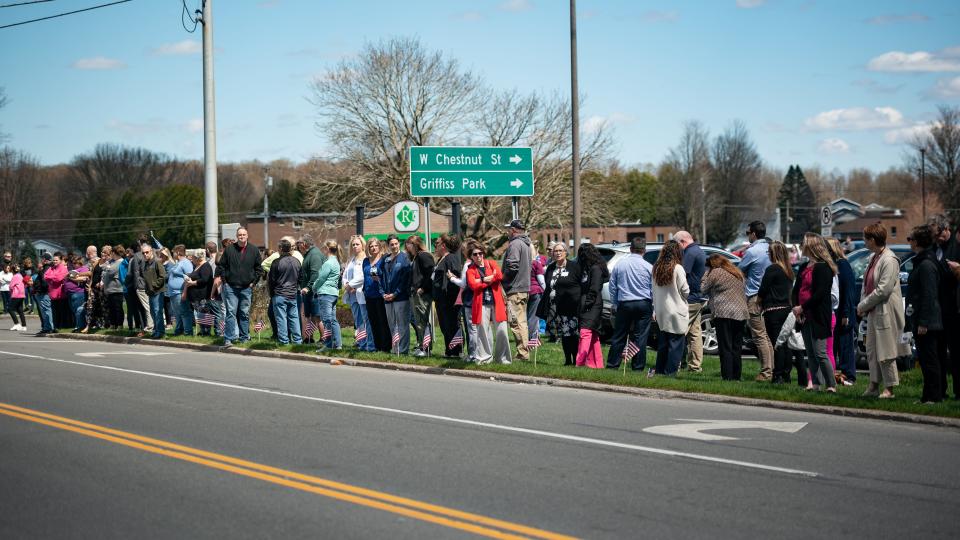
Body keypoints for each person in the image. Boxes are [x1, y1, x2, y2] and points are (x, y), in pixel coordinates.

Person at [857, 223, 910, 399]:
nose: (864, 241)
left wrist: (863, 305)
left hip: (885, 311)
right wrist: (863, 306)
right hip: (873, 312)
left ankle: (890, 388)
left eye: (866, 238)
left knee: (886, 351)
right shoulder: (874, 257)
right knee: (872, 350)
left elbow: (883, 289)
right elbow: (866, 284)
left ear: (873, 239)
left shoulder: (889, 259)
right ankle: (873, 385)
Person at [792, 234, 838, 393]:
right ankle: (816, 384)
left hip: (818, 315)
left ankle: (831, 384)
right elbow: (796, 289)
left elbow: (820, 294)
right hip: (804, 316)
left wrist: (802, 307)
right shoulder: (804, 266)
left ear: (811, 246)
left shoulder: (823, 267)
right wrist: (795, 307)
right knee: (810, 352)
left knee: (820, 352)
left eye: (804, 243)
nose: (801, 245)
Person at [759, 241, 807, 385]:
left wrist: (758, 301)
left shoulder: (772, 269)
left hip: (773, 310)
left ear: (774, 253)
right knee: (786, 344)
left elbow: (763, 289)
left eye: (769, 252)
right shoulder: (788, 269)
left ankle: (778, 375)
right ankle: (786, 373)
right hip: (786, 309)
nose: (768, 254)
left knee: (777, 344)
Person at [605, 237, 653, 371]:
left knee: (619, 335)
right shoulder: (649, 267)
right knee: (640, 337)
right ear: (644, 250)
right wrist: (653, 306)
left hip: (625, 303)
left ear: (631, 249)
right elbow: (652, 289)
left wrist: (615, 303)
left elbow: (612, 286)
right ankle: (637, 367)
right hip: (643, 303)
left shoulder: (620, 264)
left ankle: (613, 365)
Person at [907, 225, 943, 404]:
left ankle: (935, 397)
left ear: (917, 242)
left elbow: (929, 295)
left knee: (930, 360)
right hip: (922, 319)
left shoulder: (927, 264)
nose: (909, 242)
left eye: (910, 239)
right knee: (925, 359)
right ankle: (926, 396)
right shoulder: (921, 261)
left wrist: (923, 322)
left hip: (928, 322)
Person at [927, 214, 960, 400]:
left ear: (947, 229)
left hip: (953, 307)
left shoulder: (956, 246)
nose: (937, 238)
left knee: (956, 352)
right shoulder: (934, 248)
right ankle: (940, 390)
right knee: (938, 351)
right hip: (937, 309)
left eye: (939, 234)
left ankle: (958, 390)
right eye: (934, 235)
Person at [701, 254, 749, 380]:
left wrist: (706, 274)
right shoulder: (736, 272)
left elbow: (703, 288)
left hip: (724, 312)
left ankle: (727, 376)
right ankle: (736, 376)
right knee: (736, 346)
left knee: (725, 346)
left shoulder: (716, 272)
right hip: (741, 312)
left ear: (712, 265)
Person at [738, 220, 774, 381]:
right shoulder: (771, 249)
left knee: (759, 336)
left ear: (753, 233)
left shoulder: (753, 252)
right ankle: (772, 369)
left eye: (748, 233)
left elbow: (739, 271)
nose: (748, 236)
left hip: (755, 297)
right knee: (766, 336)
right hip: (770, 297)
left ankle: (766, 372)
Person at [216, 227, 263, 346]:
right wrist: (224, 280)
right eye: (240, 235)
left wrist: (254, 282)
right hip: (231, 287)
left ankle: (244, 337)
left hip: (246, 287)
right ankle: (229, 338)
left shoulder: (254, 250)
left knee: (244, 313)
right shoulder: (230, 249)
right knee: (231, 312)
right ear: (237, 236)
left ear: (247, 236)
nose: (242, 237)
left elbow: (259, 269)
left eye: (244, 234)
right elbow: (221, 266)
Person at [536, 242, 581, 365]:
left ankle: (575, 360)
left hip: (570, 306)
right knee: (563, 334)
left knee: (572, 334)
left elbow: (580, 285)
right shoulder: (550, 268)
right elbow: (547, 285)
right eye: (556, 251)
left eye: (561, 250)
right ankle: (567, 360)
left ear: (566, 252)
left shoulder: (574, 267)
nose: (558, 253)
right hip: (555, 308)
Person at [466, 240, 511, 364]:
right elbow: (472, 285)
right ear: (471, 257)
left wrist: (481, 280)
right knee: (483, 332)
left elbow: (499, 276)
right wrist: (487, 279)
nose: (478, 256)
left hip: (497, 302)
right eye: (475, 254)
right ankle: (485, 358)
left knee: (502, 331)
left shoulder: (491, 263)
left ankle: (503, 359)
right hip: (481, 303)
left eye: (480, 253)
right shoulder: (470, 270)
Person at [651, 241, 689, 377]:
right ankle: (670, 372)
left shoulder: (656, 267)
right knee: (676, 344)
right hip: (676, 310)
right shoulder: (677, 268)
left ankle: (660, 370)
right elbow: (685, 290)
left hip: (661, 310)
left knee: (663, 344)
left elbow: (653, 290)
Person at [826, 237, 857, 385]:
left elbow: (848, 291)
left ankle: (849, 375)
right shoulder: (832, 265)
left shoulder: (843, 265)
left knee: (845, 345)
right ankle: (839, 374)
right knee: (835, 344)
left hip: (844, 312)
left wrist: (845, 313)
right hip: (836, 312)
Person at [674, 231, 707, 373]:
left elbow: (682, 274)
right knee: (695, 333)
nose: (678, 249)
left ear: (682, 242)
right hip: (698, 297)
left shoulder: (690, 253)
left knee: (679, 331)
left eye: (677, 245)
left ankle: (676, 364)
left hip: (690, 299)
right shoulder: (698, 250)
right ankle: (695, 366)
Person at [574, 243, 609, 369]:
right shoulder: (590, 268)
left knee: (585, 332)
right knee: (593, 335)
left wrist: (587, 303)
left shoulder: (595, 269)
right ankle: (597, 364)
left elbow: (594, 288)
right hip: (590, 303)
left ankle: (580, 362)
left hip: (592, 304)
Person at [502, 220, 532, 361]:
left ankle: (522, 354)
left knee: (516, 323)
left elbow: (512, 266)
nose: (507, 232)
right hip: (524, 288)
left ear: (513, 230)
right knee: (522, 322)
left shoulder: (515, 244)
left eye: (509, 229)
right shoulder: (526, 243)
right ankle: (524, 352)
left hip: (515, 288)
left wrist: (503, 280)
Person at [449, 239, 481, 361]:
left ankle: (473, 355)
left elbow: (463, 284)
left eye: (463, 250)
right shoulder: (484, 263)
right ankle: (483, 353)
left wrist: (452, 278)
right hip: (481, 299)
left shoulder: (468, 265)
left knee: (472, 329)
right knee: (481, 329)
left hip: (470, 300)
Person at [433, 234, 463, 358]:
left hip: (450, 300)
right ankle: (449, 350)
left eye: (437, 244)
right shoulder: (441, 259)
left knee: (452, 325)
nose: (435, 246)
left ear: (443, 246)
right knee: (445, 326)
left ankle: (456, 351)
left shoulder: (451, 258)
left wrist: (450, 295)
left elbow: (455, 277)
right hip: (441, 300)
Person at [268, 238, 303, 346]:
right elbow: (300, 278)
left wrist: (271, 293)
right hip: (292, 293)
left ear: (280, 248)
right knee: (294, 318)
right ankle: (297, 341)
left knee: (281, 318)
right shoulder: (297, 261)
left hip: (279, 294)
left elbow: (272, 280)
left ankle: (284, 341)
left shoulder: (276, 262)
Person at [407, 235, 435, 357]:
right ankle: (421, 345)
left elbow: (430, 274)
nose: (408, 246)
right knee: (418, 320)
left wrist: (423, 288)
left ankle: (426, 348)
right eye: (407, 243)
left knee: (422, 321)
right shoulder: (414, 257)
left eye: (411, 243)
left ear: (417, 244)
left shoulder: (424, 255)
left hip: (423, 295)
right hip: (415, 294)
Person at [383, 234, 412, 354]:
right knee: (391, 324)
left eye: (396, 243)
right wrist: (384, 293)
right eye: (391, 244)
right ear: (388, 245)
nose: (394, 246)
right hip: (387, 298)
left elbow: (405, 279)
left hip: (401, 297)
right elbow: (383, 277)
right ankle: (395, 348)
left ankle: (403, 350)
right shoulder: (386, 259)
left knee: (402, 324)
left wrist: (396, 293)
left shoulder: (404, 258)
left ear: (399, 243)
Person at [362, 237, 391, 352]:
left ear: (379, 247)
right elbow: (364, 276)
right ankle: (377, 346)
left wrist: (379, 278)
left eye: (375, 246)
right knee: (373, 321)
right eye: (371, 246)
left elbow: (387, 276)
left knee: (382, 321)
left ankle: (386, 347)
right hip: (369, 295)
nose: (373, 248)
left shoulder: (384, 260)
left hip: (380, 295)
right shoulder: (365, 261)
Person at [343, 235, 371, 351]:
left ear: (362, 245)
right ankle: (361, 342)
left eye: (357, 244)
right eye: (353, 244)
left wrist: (351, 285)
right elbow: (344, 275)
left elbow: (363, 276)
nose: (355, 246)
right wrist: (346, 284)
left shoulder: (366, 259)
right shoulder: (351, 260)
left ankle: (367, 343)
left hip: (360, 293)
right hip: (351, 294)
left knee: (365, 319)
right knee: (358, 320)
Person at [184, 241, 217, 336]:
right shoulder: (197, 266)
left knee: (204, 313)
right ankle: (202, 331)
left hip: (202, 295)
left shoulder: (205, 266)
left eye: (193, 257)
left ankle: (206, 332)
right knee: (200, 314)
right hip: (196, 296)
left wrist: (192, 283)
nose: (191, 259)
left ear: (198, 258)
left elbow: (204, 279)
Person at [298, 234, 326, 344]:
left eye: (299, 244)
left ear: (304, 244)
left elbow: (315, 274)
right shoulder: (308, 254)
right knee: (310, 315)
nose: (297, 246)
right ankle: (310, 339)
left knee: (317, 316)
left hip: (315, 292)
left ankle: (324, 339)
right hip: (309, 292)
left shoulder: (314, 255)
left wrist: (307, 287)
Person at [141, 243, 167, 339]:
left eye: (147, 252)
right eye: (143, 253)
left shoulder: (157, 261)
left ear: (151, 251)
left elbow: (163, 276)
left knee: (157, 311)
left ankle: (160, 331)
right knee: (153, 312)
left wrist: (154, 285)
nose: (145, 254)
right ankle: (156, 330)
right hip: (150, 292)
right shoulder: (146, 263)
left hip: (158, 291)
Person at [167, 245, 194, 336]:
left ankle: (188, 332)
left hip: (180, 292)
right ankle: (179, 330)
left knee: (184, 312)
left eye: (173, 252)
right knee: (178, 313)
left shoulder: (186, 263)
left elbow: (189, 278)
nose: (172, 253)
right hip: (174, 293)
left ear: (178, 252)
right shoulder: (179, 262)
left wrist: (185, 292)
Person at [101, 245, 125, 330]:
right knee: (111, 308)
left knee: (118, 308)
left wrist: (107, 268)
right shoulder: (112, 262)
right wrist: (107, 267)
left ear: (114, 253)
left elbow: (110, 271)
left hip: (117, 289)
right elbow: (103, 267)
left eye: (112, 253)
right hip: (110, 290)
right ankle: (113, 324)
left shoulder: (120, 262)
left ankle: (119, 324)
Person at [527, 244, 546, 345]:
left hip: (524, 292)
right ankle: (533, 340)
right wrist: (546, 292)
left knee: (526, 317)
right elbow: (541, 280)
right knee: (533, 317)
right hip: (535, 292)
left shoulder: (522, 264)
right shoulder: (536, 263)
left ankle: (533, 338)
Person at [65, 254, 89, 333]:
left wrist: (71, 277)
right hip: (70, 293)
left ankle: (80, 326)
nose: (74, 264)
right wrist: (71, 276)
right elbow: (66, 277)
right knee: (74, 310)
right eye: (73, 263)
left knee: (79, 310)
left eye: (76, 263)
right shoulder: (72, 270)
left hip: (78, 293)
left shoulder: (84, 269)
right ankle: (78, 325)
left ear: (80, 263)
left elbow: (84, 279)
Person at [33, 253, 56, 335]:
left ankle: (49, 328)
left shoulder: (47, 268)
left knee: (46, 311)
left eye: (42, 258)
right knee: (44, 311)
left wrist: (40, 289)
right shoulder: (44, 268)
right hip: (42, 292)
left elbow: (45, 281)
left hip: (44, 293)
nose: (41, 260)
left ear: (45, 260)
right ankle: (46, 327)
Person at [7, 264, 26, 331]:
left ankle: (17, 324)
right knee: (20, 310)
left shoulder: (15, 276)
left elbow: (11, 286)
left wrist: (10, 291)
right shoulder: (20, 275)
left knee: (10, 309)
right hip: (22, 295)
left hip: (16, 295)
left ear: (12, 270)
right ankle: (24, 326)